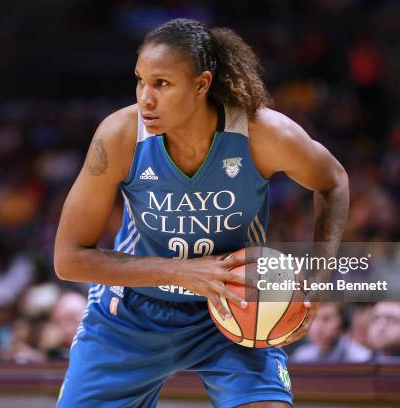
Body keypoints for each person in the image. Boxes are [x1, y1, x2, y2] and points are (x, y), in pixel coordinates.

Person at [54, 19, 348, 408]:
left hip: (237, 307)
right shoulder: (120, 135)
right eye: (140, 80)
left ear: (201, 84)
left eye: (162, 83)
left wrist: (317, 280)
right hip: (130, 314)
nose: (145, 98)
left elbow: (334, 182)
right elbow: (68, 259)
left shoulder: (262, 134)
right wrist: (182, 272)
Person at [291, 303, 370, 363]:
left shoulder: (362, 359)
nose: (318, 328)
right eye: (313, 318)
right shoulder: (301, 356)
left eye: (326, 319)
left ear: (343, 324)